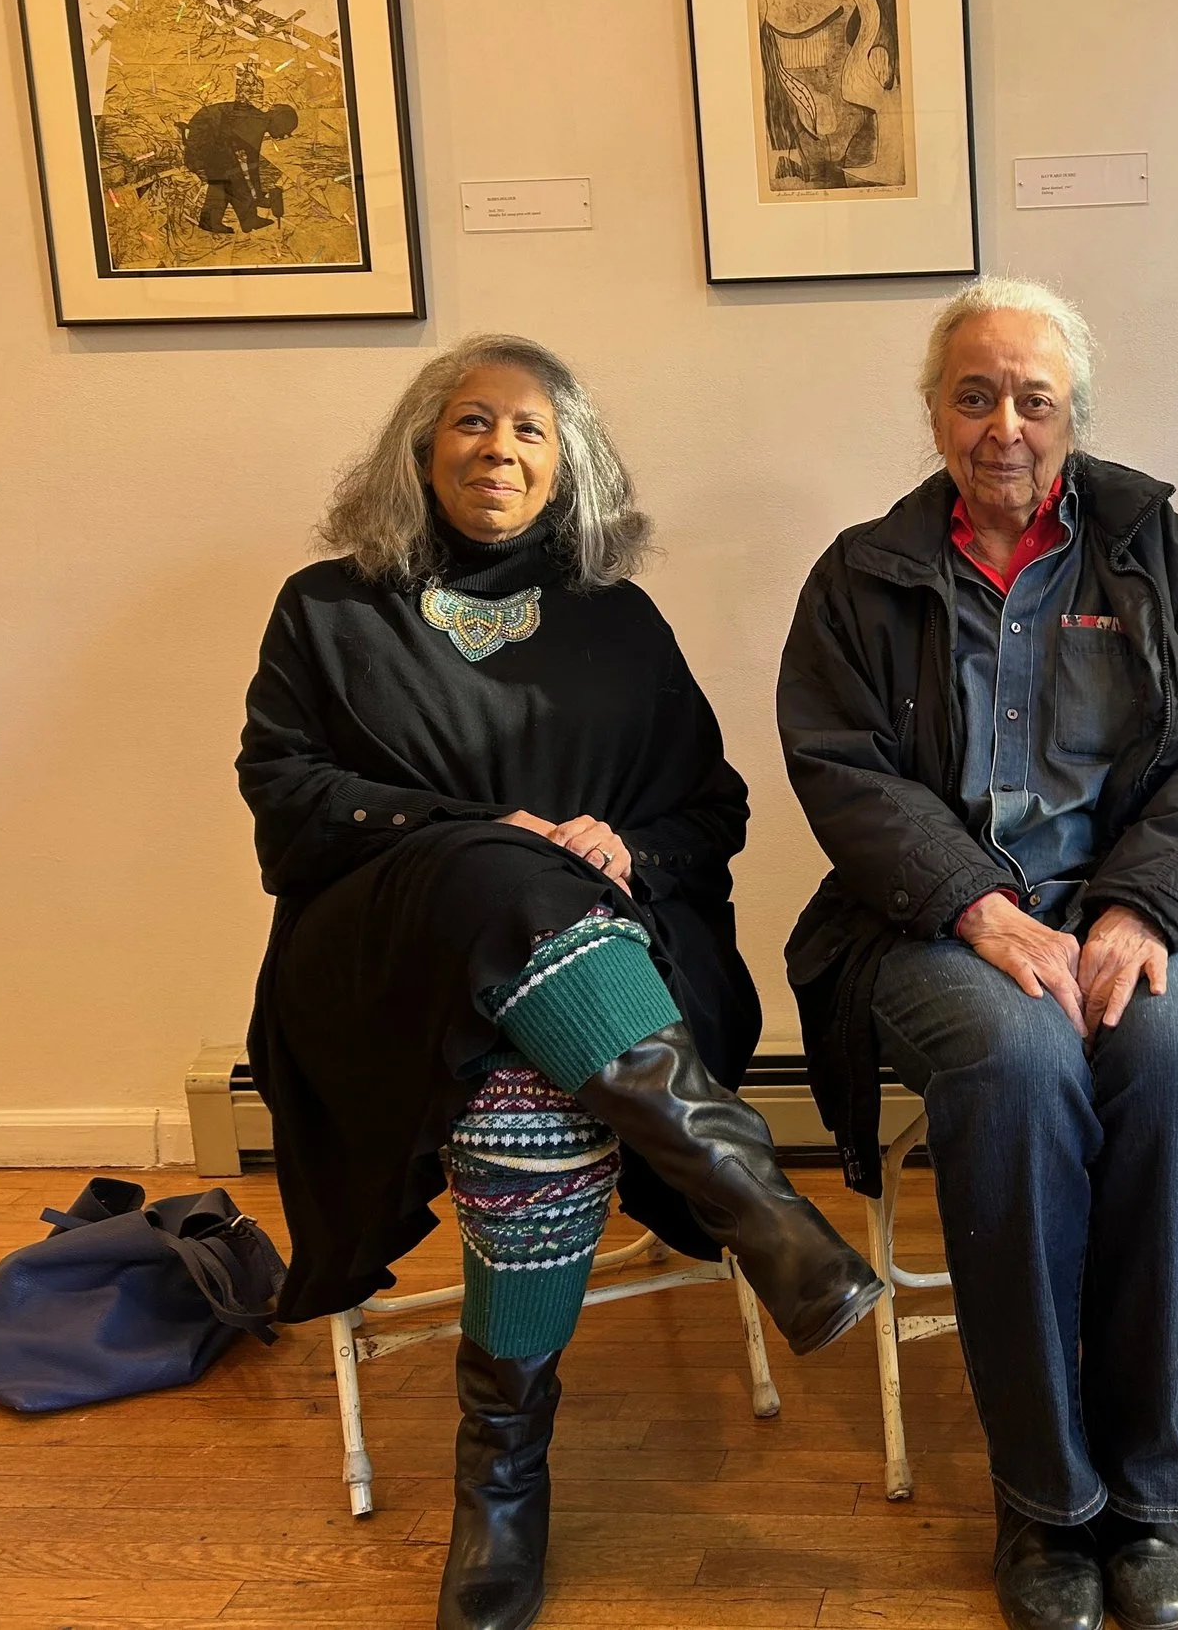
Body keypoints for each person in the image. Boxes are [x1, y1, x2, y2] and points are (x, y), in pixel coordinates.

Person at [238, 333, 880, 1630]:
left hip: (609, 962)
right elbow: (286, 796)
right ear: (420, 448)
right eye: (472, 421)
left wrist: (627, 847)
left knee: (528, 1089)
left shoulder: (618, 623)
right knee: (495, 869)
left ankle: (503, 1476)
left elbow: (710, 809)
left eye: (531, 429)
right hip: (387, 963)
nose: (500, 448)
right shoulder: (329, 608)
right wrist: (471, 834)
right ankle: (752, 1196)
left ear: (569, 465)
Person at [777, 278, 1178, 1630]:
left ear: (1074, 416)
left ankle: (1145, 1489)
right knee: (1015, 1063)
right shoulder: (862, 573)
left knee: (1173, 1069)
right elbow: (841, 769)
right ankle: (1046, 1498)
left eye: (1033, 398)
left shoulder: (1160, 554)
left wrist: (1143, 906)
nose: (1004, 424)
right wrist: (974, 903)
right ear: (934, 413)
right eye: (974, 395)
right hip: (936, 920)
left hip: (1158, 910)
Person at [186, 97, 297, 233]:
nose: (285, 135)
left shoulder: (256, 119)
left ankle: (244, 219)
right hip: (204, 139)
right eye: (287, 130)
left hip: (210, 137)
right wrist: (258, 196)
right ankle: (221, 220)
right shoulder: (256, 125)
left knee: (229, 176)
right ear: (280, 123)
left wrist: (257, 195)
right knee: (228, 177)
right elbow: (252, 166)